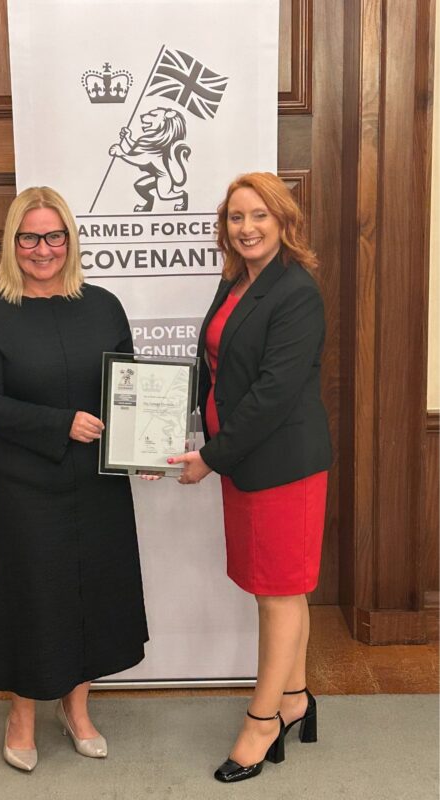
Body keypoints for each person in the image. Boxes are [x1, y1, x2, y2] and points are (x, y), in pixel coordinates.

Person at [0, 186, 148, 771]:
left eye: (54, 236)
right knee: (33, 594)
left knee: (93, 587)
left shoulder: (104, 305)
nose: (43, 249)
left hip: (97, 478)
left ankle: (77, 706)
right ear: (13, 243)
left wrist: (145, 440)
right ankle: (22, 713)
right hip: (25, 481)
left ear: (70, 240)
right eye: (30, 237)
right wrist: (59, 423)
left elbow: (132, 389)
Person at [169, 172, 332, 783]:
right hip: (243, 460)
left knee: (279, 592)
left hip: (281, 466)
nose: (247, 228)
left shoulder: (297, 292)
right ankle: (296, 699)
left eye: (259, 215)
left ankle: (263, 722)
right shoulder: (236, 280)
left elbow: (270, 396)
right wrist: (182, 431)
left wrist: (211, 457)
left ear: (284, 220)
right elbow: (212, 368)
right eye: (236, 217)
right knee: (282, 586)